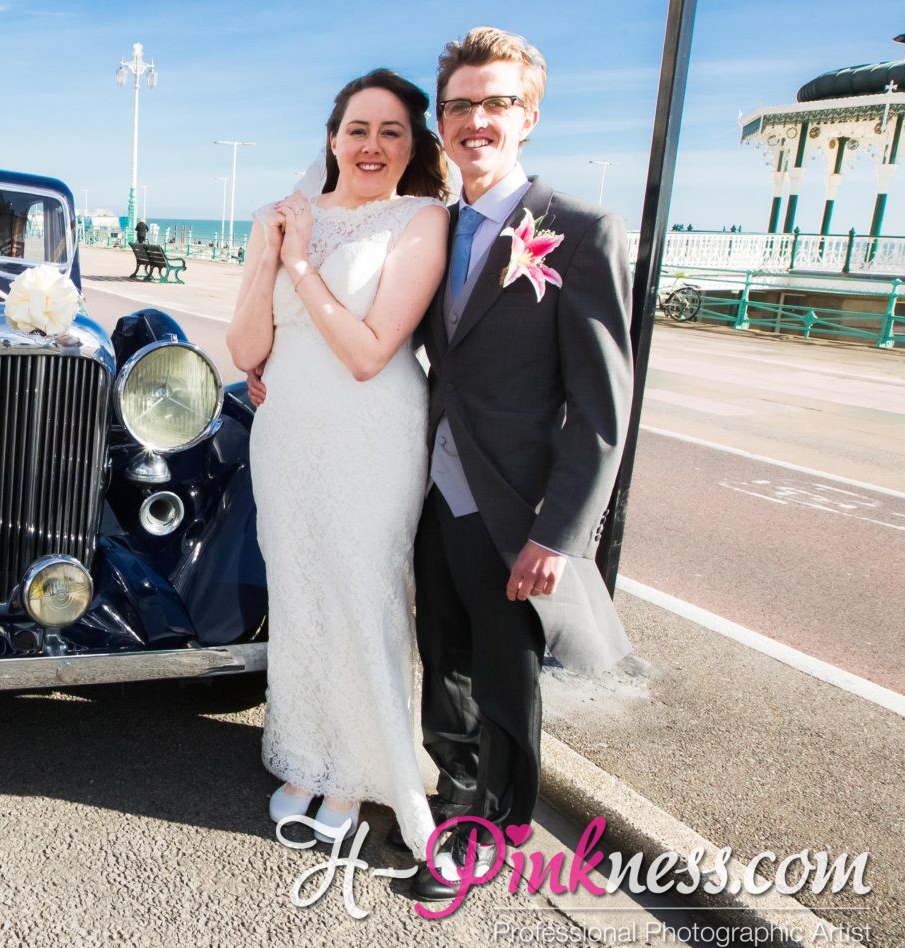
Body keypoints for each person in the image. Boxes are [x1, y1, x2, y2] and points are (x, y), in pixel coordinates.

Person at [405, 27, 634, 900]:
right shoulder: (435, 227)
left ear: (528, 116)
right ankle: (453, 797)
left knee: (506, 682)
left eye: (496, 103)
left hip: (514, 509)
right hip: (432, 493)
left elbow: (602, 411)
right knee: (443, 663)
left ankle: (493, 830)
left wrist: (559, 534)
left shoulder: (580, 233)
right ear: (442, 119)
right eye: (460, 105)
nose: (476, 120)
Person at [226, 69, 450, 859]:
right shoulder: (284, 216)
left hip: (373, 429)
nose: (372, 145)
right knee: (300, 591)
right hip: (287, 430)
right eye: (358, 129)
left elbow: (368, 352)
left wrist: (299, 266)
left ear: (413, 146)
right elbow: (247, 348)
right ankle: (305, 751)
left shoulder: (422, 219)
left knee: (363, 591)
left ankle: (355, 769)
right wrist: (269, 253)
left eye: (392, 132)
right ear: (332, 138)